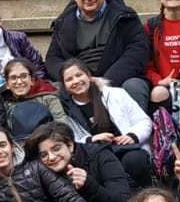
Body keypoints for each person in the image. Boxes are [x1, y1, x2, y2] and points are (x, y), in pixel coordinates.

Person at [42, 0, 151, 111]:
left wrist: (107, 81)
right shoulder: (63, 22)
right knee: (53, 92)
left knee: (134, 86)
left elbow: (138, 50)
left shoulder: (125, 17)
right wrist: (72, 79)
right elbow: (53, 58)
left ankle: (132, 132)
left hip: (117, 78)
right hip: (79, 80)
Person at [57, 59, 152, 188]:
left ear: (89, 76)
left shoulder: (116, 94)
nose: (75, 81)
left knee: (134, 160)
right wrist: (92, 139)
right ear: (64, 86)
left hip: (127, 149)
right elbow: (70, 142)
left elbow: (144, 121)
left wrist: (132, 136)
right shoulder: (65, 110)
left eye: (79, 75)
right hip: (95, 156)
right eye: (69, 79)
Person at [30, 123, 135, 202]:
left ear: (70, 145)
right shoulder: (42, 172)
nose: (51, 157)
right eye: (44, 155)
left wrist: (88, 185)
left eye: (56, 149)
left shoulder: (99, 154)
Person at [0, 57, 66, 144]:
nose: (19, 82)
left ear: (32, 80)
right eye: (13, 78)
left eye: (24, 76)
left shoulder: (48, 98)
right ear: (7, 84)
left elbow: (62, 126)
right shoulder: (3, 103)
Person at [0, 3, 48, 84]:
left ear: (0, 21)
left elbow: (37, 64)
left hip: (22, 86)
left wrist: (35, 86)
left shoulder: (19, 38)